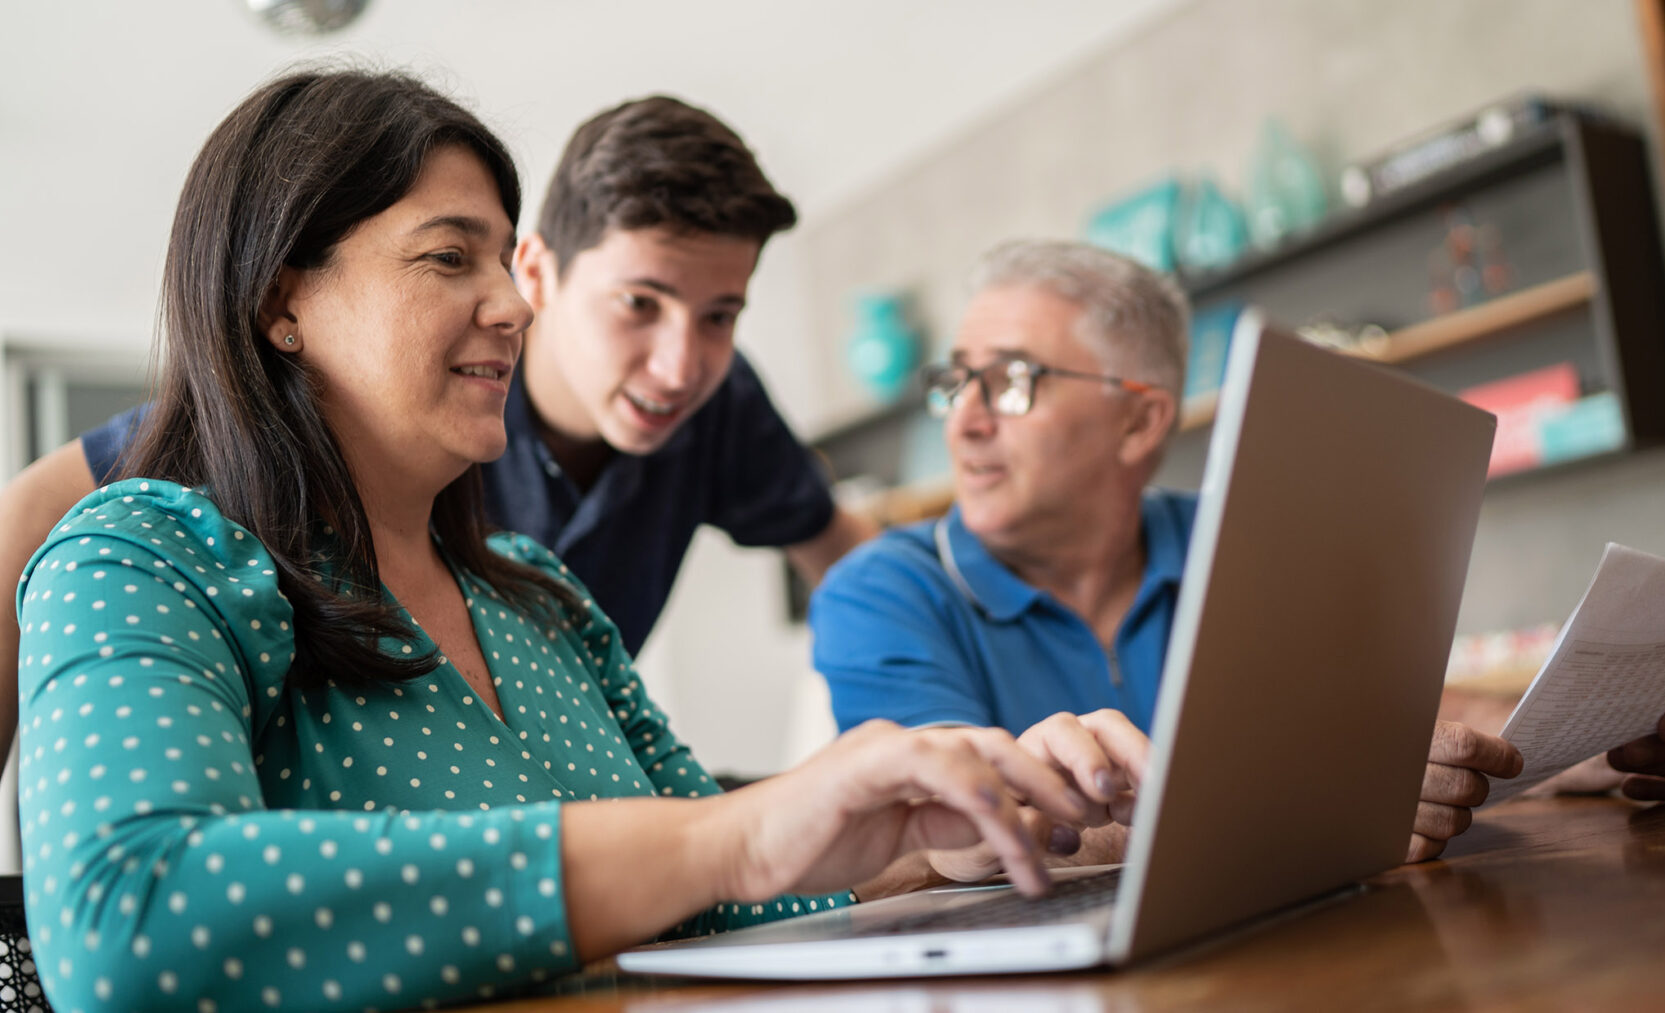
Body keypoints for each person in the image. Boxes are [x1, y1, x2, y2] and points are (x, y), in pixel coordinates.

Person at [14, 71, 1142, 1012]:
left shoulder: (543, 598)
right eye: (450, 258)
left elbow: (727, 893)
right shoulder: (144, 556)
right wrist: (734, 838)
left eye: (504, 260)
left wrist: (930, 836)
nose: (510, 303)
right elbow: (127, 919)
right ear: (281, 302)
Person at [0, 90, 873, 769]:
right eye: (639, 304)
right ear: (542, 272)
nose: (681, 365)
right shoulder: (158, 534)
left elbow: (848, 558)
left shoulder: (715, 415)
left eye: (721, 316)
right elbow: (38, 505)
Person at [809, 238, 1665, 864]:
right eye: (955, 382)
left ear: (1141, 422)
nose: (965, 422)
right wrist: (1316, 799)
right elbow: (942, 840)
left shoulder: (1237, 529)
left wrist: (1615, 727)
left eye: (1009, 381)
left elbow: (1398, 715)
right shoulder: (877, 591)